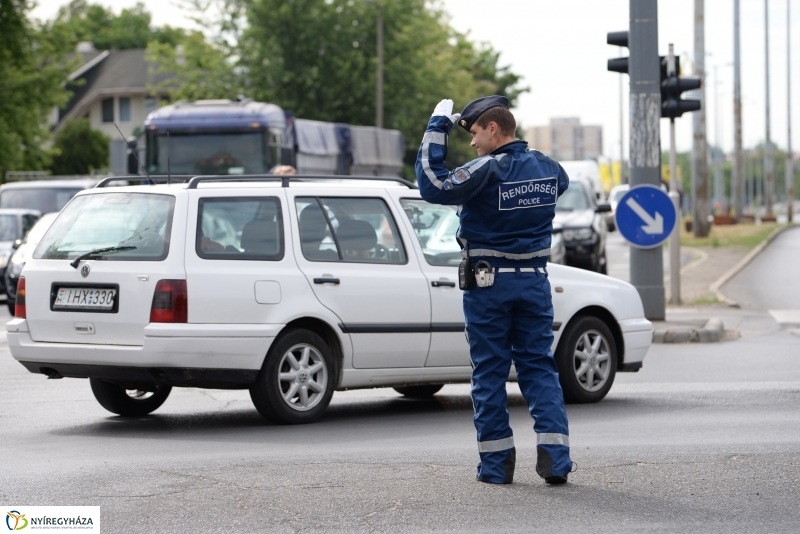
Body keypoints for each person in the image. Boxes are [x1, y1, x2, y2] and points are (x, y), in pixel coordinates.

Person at [415, 96, 573, 485]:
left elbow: (433, 185)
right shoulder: (549, 168)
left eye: (473, 134)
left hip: (490, 285)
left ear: (493, 129)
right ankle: (556, 460)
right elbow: (560, 186)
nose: (471, 144)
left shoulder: (486, 169)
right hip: (535, 281)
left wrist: (436, 127)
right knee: (539, 366)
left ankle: (496, 466)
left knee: (490, 372)